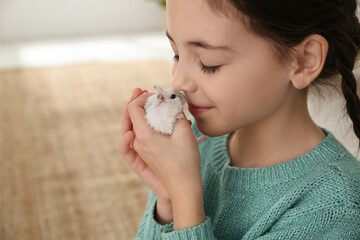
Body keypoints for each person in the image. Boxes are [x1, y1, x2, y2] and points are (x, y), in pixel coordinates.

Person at [119, 0, 360, 239]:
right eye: (176, 55)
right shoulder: (189, 146)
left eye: (208, 63)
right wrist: (168, 200)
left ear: (304, 61)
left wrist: (184, 196)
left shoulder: (336, 207)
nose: (178, 81)